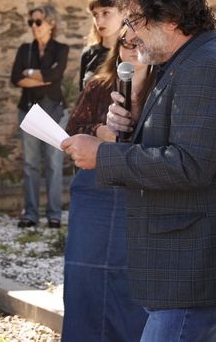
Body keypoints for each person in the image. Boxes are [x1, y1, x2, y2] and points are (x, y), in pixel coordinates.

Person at [60, 0, 216, 342]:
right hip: (192, 262)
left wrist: (104, 155)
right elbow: (183, 140)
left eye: (135, 22)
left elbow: (189, 165)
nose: (129, 35)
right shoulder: (189, 59)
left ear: (172, 20)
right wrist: (135, 120)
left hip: (199, 266)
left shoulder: (208, 66)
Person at [62, 31, 150, 341]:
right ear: (118, 48)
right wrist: (102, 131)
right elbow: (74, 127)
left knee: (131, 277)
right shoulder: (99, 86)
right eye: (127, 43)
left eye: (140, 43)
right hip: (96, 190)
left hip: (140, 190)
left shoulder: (164, 89)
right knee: (86, 272)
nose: (133, 49)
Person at [10, 5, 70, 228]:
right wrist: (43, 77)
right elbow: (15, 78)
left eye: (38, 22)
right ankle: (31, 214)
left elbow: (56, 75)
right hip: (28, 111)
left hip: (54, 111)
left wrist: (30, 73)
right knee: (30, 164)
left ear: (51, 23)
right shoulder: (25, 49)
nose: (34, 27)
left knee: (54, 164)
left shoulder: (61, 49)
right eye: (31, 22)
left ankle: (54, 214)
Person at [79, 0, 122, 91]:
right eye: (95, 14)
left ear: (123, 14)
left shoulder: (131, 53)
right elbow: (82, 95)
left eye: (105, 13)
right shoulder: (88, 53)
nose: (99, 21)